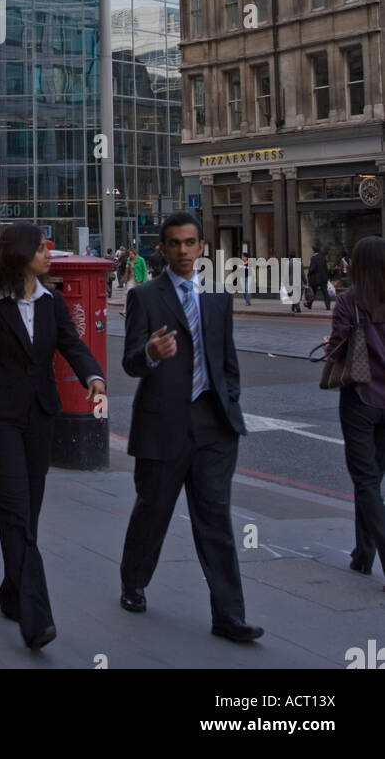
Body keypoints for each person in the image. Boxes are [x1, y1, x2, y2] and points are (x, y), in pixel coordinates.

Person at [0, 222, 104, 650]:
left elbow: (71, 343)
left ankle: (10, 590)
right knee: (16, 511)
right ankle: (36, 618)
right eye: (41, 248)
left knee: (27, 514)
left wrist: (92, 375)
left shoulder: (52, 301)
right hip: (0, 421)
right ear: (20, 255)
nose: (48, 254)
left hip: (40, 419)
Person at [119, 210, 262, 643]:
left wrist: (230, 403)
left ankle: (229, 616)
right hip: (164, 425)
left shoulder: (218, 297)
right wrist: (151, 353)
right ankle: (133, 581)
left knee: (215, 518)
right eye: (175, 243)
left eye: (191, 242)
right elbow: (130, 361)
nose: (184, 251)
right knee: (154, 510)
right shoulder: (145, 297)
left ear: (202, 247)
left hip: (213, 425)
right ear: (162, 249)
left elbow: (227, 362)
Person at [326, 236, 385, 582]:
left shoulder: (349, 301)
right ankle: (364, 554)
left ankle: (375, 552)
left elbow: (336, 351)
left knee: (365, 482)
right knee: (374, 479)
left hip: (360, 400)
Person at [306, 245, 331, 310]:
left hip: (316, 278)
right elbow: (326, 268)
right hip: (323, 277)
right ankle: (328, 306)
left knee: (313, 292)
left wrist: (309, 273)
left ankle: (309, 304)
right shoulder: (323, 257)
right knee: (325, 292)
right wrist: (327, 276)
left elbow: (313, 268)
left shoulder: (313, 258)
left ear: (314, 250)